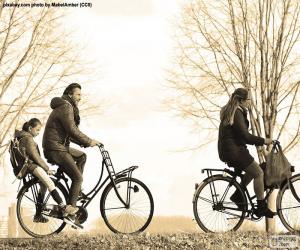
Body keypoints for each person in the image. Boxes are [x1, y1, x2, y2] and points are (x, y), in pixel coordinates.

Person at [42, 83, 100, 220]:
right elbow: (72, 130)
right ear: (70, 94)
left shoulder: (66, 106)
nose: (80, 98)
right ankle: (70, 209)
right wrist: (89, 141)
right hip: (55, 148)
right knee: (77, 177)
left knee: (81, 156)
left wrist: (85, 143)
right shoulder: (66, 107)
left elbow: (69, 134)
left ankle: (76, 191)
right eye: (78, 94)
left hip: (59, 146)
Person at [218, 87, 275, 218]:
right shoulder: (237, 113)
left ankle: (238, 195)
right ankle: (261, 207)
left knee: (253, 169)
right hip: (234, 151)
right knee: (259, 173)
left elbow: (241, 136)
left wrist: (259, 142)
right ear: (241, 100)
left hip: (230, 150)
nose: (249, 102)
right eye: (248, 100)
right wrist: (264, 141)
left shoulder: (232, 111)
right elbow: (245, 136)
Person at [15, 118, 78, 223]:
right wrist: (46, 168)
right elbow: (35, 157)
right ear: (30, 128)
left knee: (44, 185)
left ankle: (38, 215)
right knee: (49, 182)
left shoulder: (22, 137)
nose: (39, 133)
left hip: (27, 166)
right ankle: (64, 208)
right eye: (37, 130)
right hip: (30, 166)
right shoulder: (27, 139)